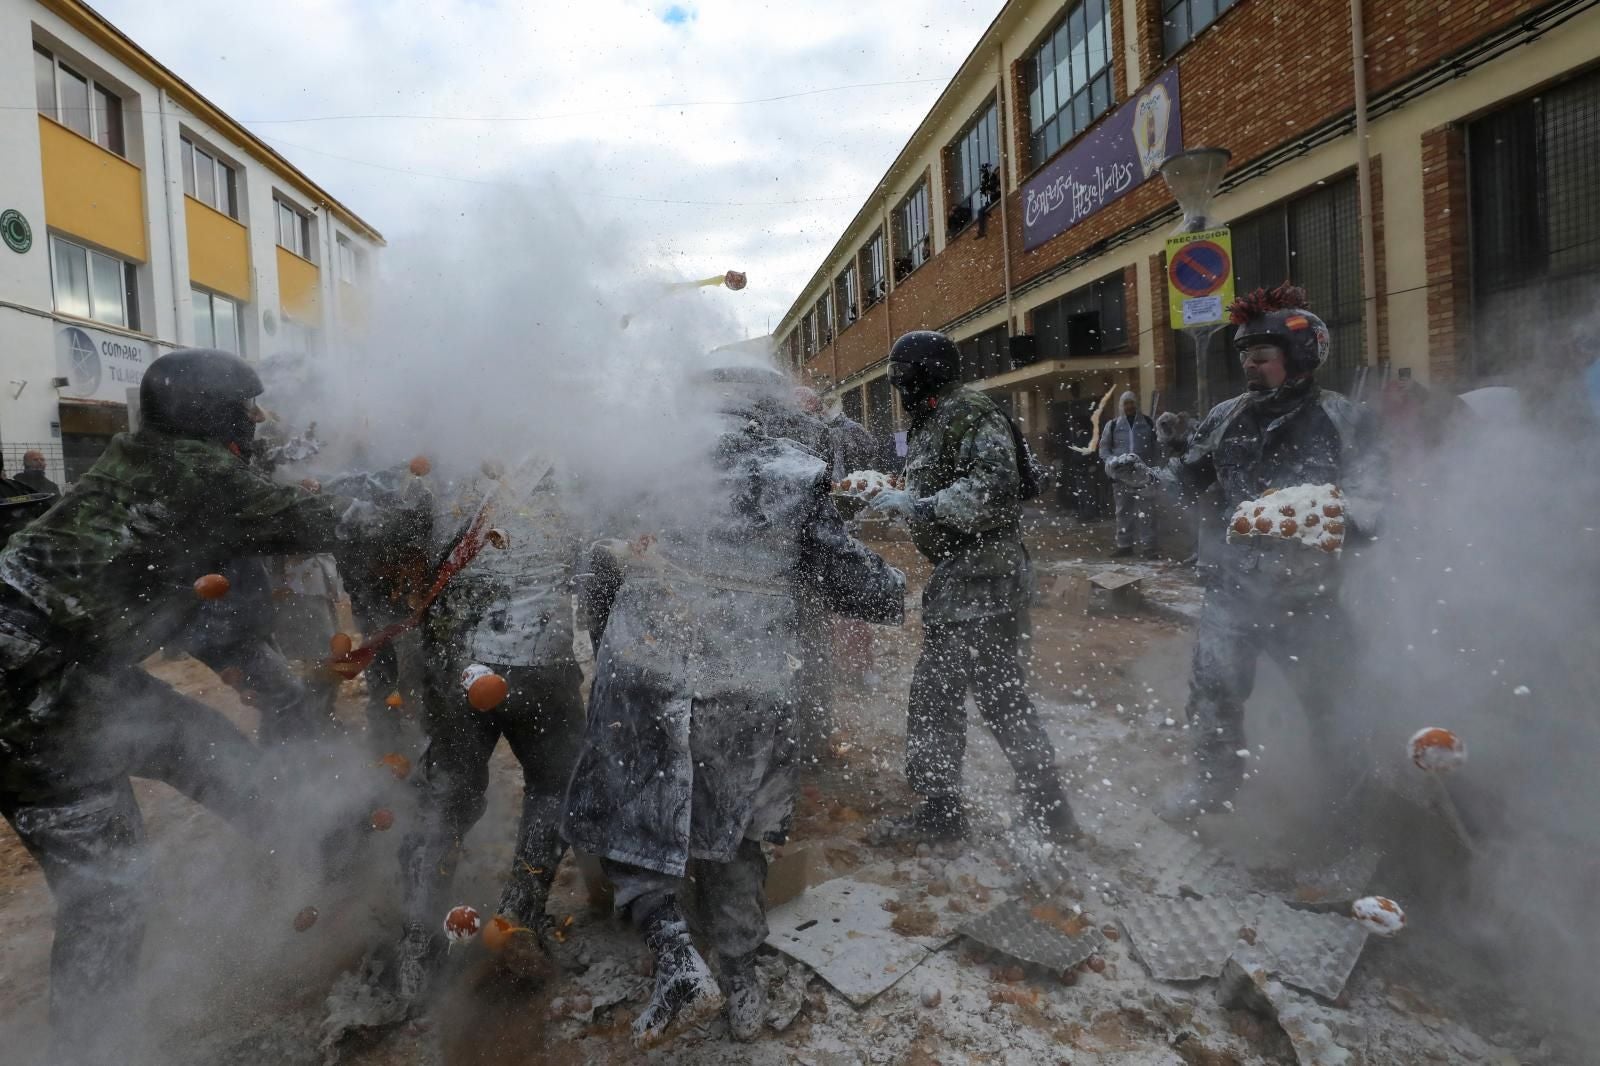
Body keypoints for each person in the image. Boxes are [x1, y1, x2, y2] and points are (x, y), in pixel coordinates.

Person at [0, 349, 426, 1063]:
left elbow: (198, 561)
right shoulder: (194, 472)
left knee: (210, 752)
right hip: (32, 695)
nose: (255, 421)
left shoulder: (147, 459)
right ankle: (84, 1051)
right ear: (209, 414)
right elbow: (322, 518)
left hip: (73, 667)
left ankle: (331, 850)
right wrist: (417, 497)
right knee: (109, 889)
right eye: (244, 408)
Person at [563, 365, 904, 1049]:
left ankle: (673, 954)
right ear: (767, 412)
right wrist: (890, 581)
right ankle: (740, 978)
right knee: (738, 830)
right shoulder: (797, 471)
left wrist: (611, 654)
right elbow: (858, 585)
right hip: (746, 683)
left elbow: (593, 570)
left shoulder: (638, 465)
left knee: (638, 814)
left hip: (644, 669)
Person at [1105, 285, 1378, 821]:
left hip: (1309, 597)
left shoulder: (1342, 419)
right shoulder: (1228, 415)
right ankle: (1212, 786)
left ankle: (1348, 817)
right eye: (1244, 357)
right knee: (1213, 694)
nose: (1250, 367)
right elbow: (1184, 481)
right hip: (1232, 591)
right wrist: (1145, 477)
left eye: (1262, 357)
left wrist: (1328, 514)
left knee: (1334, 707)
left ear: (1301, 356)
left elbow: (1381, 501)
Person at [866, 331, 1078, 845]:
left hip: (982, 575)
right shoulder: (932, 420)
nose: (899, 387)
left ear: (929, 374)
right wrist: (896, 497)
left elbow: (993, 488)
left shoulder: (969, 412)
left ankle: (944, 811)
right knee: (999, 694)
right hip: (967, 574)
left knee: (937, 696)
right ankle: (1051, 809)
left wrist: (920, 507)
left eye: (904, 377)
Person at [393, 455, 586, 1003]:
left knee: (446, 795)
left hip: (455, 664)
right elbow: (602, 563)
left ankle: (418, 941)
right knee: (556, 785)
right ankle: (518, 917)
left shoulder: (431, 471)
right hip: (541, 662)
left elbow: (393, 565)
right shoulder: (571, 464)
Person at [1099, 390, 1161, 558]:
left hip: (1143, 476)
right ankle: (1124, 545)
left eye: (1131, 403)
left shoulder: (1148, 423)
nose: (1129, 406)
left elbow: (1157, 448)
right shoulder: (1112, 425)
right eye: (1126, 403)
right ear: (1121, 406)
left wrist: (1154, 469)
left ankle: (1149, 547)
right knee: (1123, 511)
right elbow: (1104, 449)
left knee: (1147, 511)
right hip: (1122, 476)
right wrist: (1113, 463)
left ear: (1137, 404)